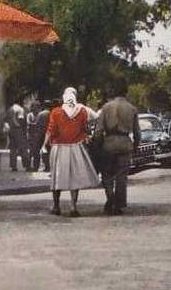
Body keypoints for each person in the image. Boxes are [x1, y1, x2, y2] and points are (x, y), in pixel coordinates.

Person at [44, 88, 101, 217]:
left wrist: (45, 143)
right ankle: (73, 207)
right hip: (76, 147)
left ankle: (56, 206)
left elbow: (51, 129)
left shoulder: (56, 112)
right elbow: (97, 117)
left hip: (59, 147)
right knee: (74, 177)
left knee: (56, 176)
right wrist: (86, 129)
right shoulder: (82, 110)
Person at [94, 88, 141, 215]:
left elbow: (98, 131)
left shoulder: (106, 107)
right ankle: (118, 204)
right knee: (122, 176)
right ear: (125, 92)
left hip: (109, 143)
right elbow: (137, 132)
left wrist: (97, 146)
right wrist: (136, 146)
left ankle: (110, 197)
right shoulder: (132, 109)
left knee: (107, 174)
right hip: (125, 143)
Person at [3, 102, 29, 171]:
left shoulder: (9, 109)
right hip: (18, 130)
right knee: (23, 148)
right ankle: (26, 165)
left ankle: (13, 166)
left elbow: (5, 120)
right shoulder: (20, 109)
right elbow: (22, 120)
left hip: (11, 131)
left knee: (13, 149)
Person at [27, 101, 50, 172]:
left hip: (39, 135)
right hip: (48, 135)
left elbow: (36, 124)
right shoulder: (51, 113)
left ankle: (36, 167)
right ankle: (47, 167)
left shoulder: (41, 114)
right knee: (46, 151)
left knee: (36, 151)